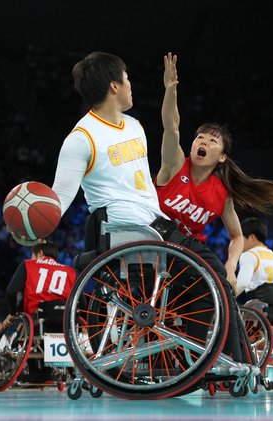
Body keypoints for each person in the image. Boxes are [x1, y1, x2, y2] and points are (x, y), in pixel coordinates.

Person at [38, 51, 245, 363]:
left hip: (155, 225)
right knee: (214, 273)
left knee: (205, 281)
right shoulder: (81, 139)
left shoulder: (134, 126)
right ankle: (224, 360)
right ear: (114, 87)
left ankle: (196, 358)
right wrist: (32, 229)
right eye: (127, 78)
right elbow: (58, 200)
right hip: (124, 227)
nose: (130, 84)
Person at [156, 53, 273, 289]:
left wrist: (231, 264)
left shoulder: (221, 193)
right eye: (200, 137)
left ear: (222, 157)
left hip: (186, 254)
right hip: (155, 238)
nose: (203, 142)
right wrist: (170, 89)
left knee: (217, 286)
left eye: (212, 141)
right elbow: (171, 126)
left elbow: (238, 237)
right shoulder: (175, 163)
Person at [2, 241, 77, 328]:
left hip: (36, 320)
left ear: (40, 253)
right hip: (64, 321)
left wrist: (12, 313)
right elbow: (81, 300)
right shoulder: (70, 271)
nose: (31, 259)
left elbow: (11, 291)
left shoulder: (28, 265)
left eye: (32, 256)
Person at [235, 218, 273, 307]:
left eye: (242, 238)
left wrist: (226, 297)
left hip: (261, 306)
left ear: (252, 237)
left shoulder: (249, 254)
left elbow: (242, 284)